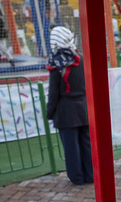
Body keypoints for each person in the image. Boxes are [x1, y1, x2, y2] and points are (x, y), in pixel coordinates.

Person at [46, 26, 93, 186]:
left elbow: (53, 93)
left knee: (71, 147)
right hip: (83, 108)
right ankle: (90, 175)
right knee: (86, 144)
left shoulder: (57, 63)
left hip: (66, 111)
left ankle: (77, 178)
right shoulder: (81, 59)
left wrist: (49, 112)